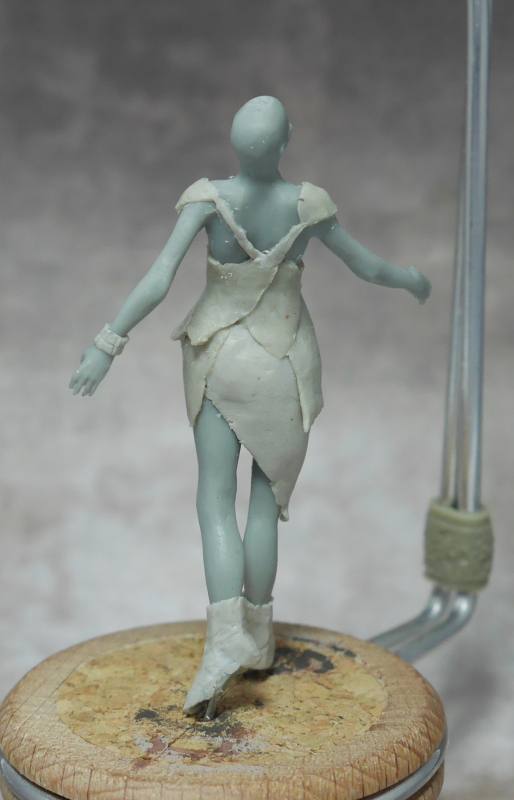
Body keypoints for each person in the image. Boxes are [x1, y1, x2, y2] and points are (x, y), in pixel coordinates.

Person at [70, 96, 431, 719]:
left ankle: (229, 640)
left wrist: (108, 343)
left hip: (218, 357)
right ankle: (256, 634)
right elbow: (368, 267)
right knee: (266, 503)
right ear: (286, 141)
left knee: (215, 498)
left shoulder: (208, 200)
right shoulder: (309, 205)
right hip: (284, 361)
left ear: (235, 145)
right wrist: (411, 279)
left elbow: (159, 277)